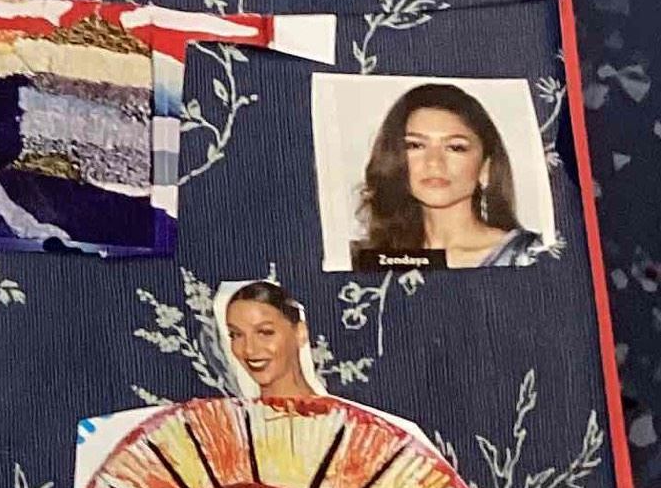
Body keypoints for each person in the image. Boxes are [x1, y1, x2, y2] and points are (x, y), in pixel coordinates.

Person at [350, 82, 544, 268]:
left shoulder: (529, 255)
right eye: (415, 145)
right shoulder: (367, 259)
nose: (434, 162)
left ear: (485, 167)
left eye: (455, 147)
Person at [222, 280, 319, 399]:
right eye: (236, 335)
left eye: (265, 332)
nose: (249, 350)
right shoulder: (224, 410)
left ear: (300, 333)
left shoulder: (335, 410)